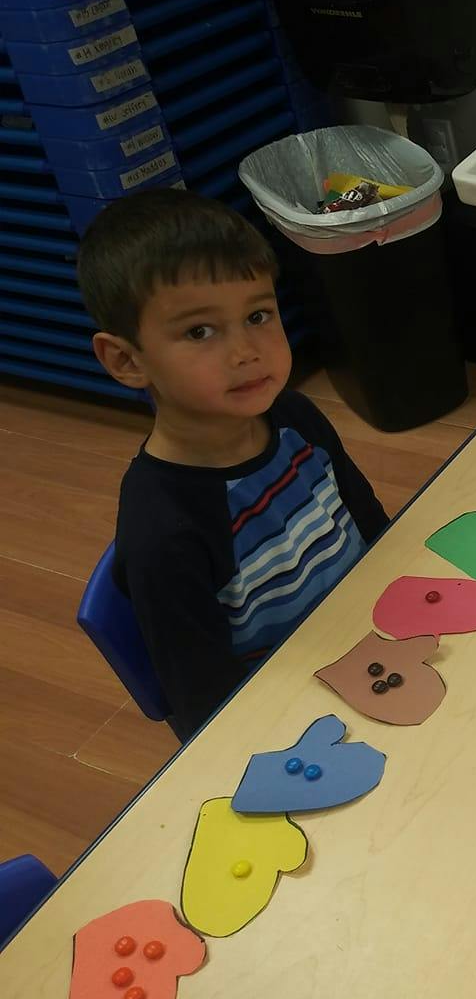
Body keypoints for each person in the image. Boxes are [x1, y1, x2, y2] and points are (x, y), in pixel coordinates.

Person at [80, 189, 388, 739]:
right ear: (126, 360)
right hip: (301, 716)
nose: (247, 350)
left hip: (373, 639)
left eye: (257, 315)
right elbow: (206, 710)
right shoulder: (165, 529)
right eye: (200, 331)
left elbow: (369, 523)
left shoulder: (293, 414)